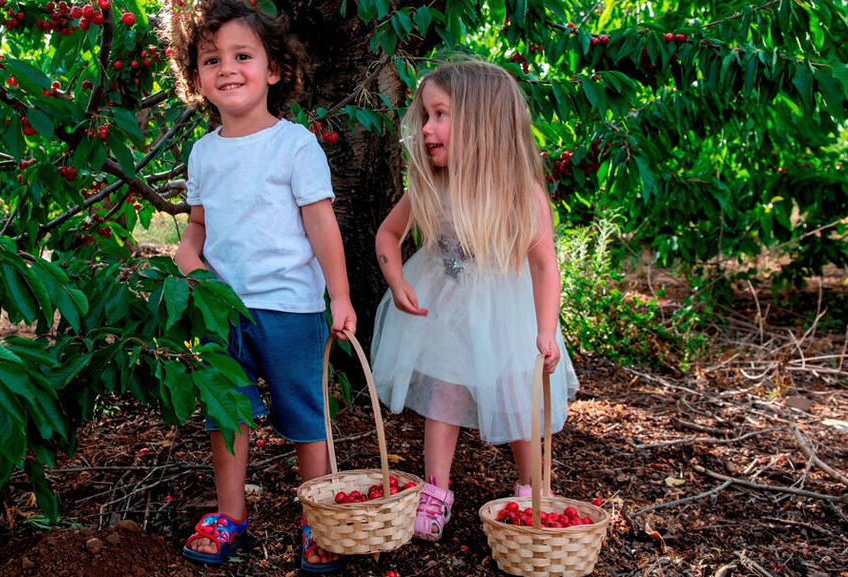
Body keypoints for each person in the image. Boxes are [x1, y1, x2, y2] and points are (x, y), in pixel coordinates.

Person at [161, 1, 354, 572]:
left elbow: (321, 223)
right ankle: (230, 514)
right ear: (195, 78)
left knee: (305, 416)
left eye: (243, 55)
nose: (227, 68)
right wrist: (186, 257)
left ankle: (316, 518)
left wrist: (339, 296)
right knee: (228, 414)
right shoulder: (202, 152)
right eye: (210, 59)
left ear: (273, 69)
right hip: (223, 310)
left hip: (291, 309)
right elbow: (198, 226)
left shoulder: (294, 144)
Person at [371, 59, 580, 541]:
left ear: (481, 122)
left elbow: (545, 266)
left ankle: (533, 488)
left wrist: (545, 330)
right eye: (425, 116)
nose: (427, 129)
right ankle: (435, 489)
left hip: (505, 316)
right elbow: (388, 233)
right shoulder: (430, 184)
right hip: (443, 311)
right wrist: (396, 280)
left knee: (515, 396)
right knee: (444, 393)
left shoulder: (519, 193)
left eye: (440, 115)